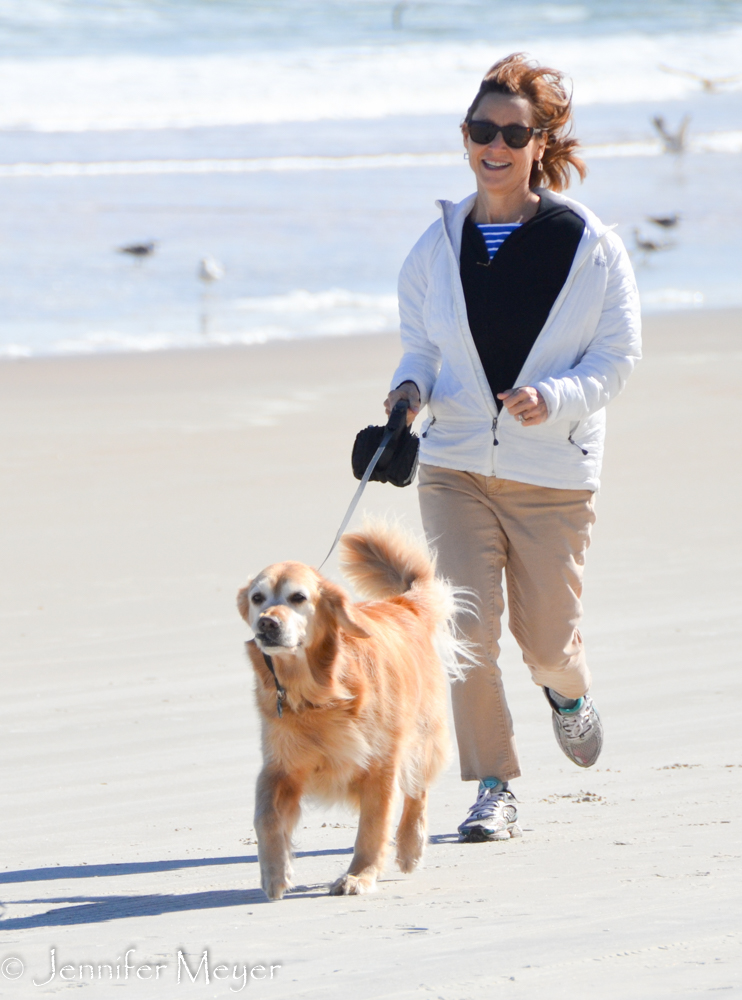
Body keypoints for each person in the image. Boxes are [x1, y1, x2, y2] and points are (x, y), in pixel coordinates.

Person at [384, 53, 641, 842]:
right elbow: (421, 349)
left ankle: (568, 694)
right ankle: (494, 784)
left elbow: (616, 357)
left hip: (551, 474)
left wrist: (553, 397)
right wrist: (404, 400)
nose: (494, 145)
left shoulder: (590, 245)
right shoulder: (437, 244)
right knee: (463, 633)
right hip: (455, 464)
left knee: (547, 644)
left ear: (540, 143)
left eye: (512, 132)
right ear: (464, 138)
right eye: (480, 130)